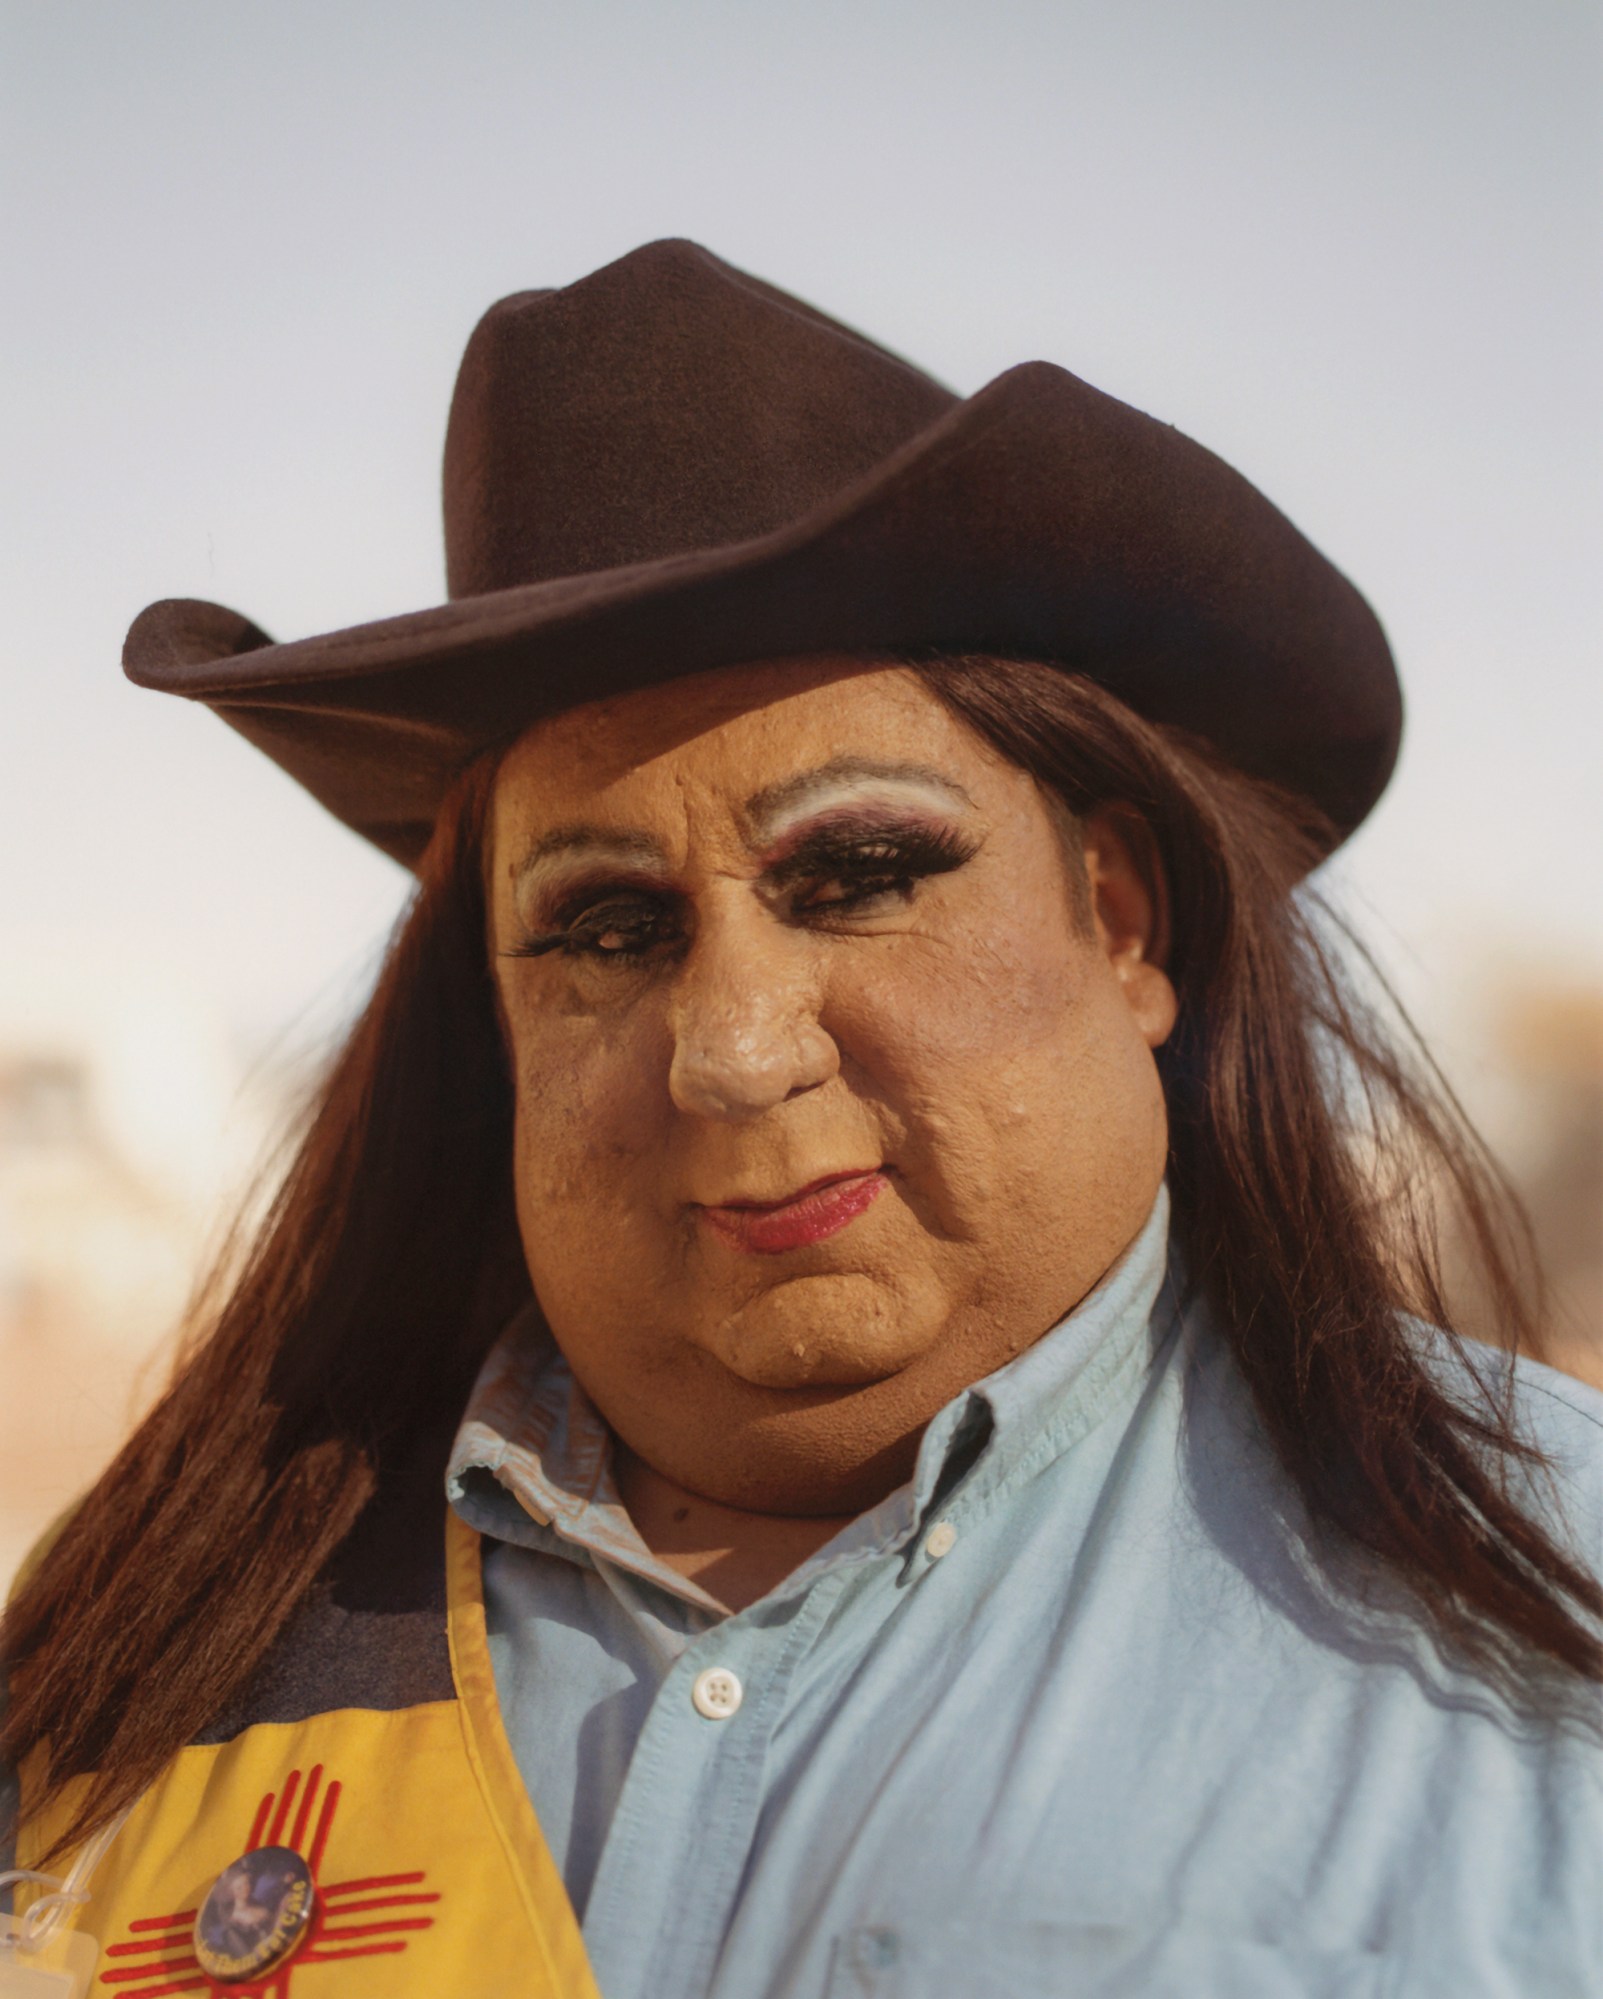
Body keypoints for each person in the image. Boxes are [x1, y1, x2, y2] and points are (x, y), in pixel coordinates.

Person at [2, 240, 1598, 1998]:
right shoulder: (136, 1665)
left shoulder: (1561, 1604)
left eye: (855, 876)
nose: (737, 1052)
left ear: (1123, 919)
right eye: (609, 930)